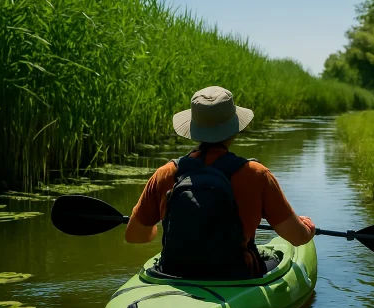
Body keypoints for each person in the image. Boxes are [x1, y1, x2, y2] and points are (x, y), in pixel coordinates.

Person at [124, 85, 316, 279]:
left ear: (193, 129)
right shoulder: (257, 175)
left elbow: (134, 236)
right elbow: (297, 237)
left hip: (173, 272)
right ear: (234, 130)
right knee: (275, 258)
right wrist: (307, 228)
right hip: (236, 273)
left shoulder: (165, 174)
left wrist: (154, 229)